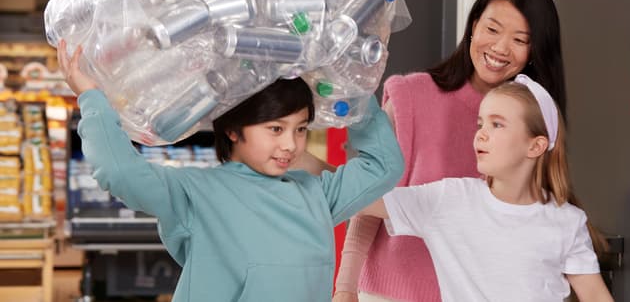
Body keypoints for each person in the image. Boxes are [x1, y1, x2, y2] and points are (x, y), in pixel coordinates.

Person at [57, 39, 404, 302]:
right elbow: (121, 173)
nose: (290, 145)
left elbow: (384, 166)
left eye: (300, 129)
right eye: (275, 129)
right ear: (233, 130)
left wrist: (356, 93)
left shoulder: (316, 194)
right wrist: (91, 99)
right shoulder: (194, 192)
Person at [328, 0, 576, 302]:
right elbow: (367, 199)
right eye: (492, 29)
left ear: (534, 51)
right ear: (473, 26)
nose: (501, 48)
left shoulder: (535, 123)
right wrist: (345, 288)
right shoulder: (411, 98)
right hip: (392, 294)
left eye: (519, 39)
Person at [358, 75, 612, 301]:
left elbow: (595, 296)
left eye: (497, 124)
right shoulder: (449, 199)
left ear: (535, 146)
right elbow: (358, 197)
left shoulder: (567, 221)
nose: (480, 134)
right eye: (480, 124)